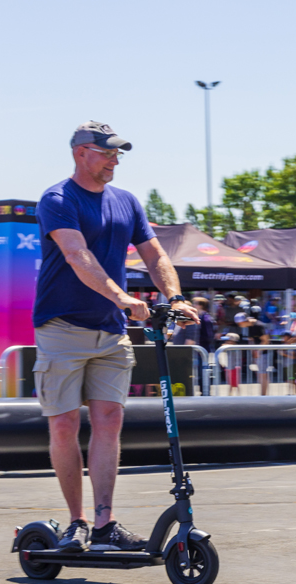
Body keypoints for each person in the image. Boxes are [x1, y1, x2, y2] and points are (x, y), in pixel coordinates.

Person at [35, 120, 197, 553]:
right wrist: (124, 297)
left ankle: (104, 523)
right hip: (62, 328)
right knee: (66, 423)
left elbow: (154, 253)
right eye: (107, 152)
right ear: (80, 153)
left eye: (117, 154)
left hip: (110, 332)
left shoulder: (126, 202)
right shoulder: (58, 199)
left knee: (109, 421)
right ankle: (77, 522)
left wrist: (175, 297)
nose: (115, 160)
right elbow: (76, 254)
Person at [243, 306, 271, 395]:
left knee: (263, 374)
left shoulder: (259, 325)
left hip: (263, 353)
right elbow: (251, 339)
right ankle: (263, 394)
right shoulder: (250, 326)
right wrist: (253, 351)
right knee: (260, 374)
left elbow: (266, 340)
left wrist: (257, 351)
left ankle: (264, 395)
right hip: (258, 353)